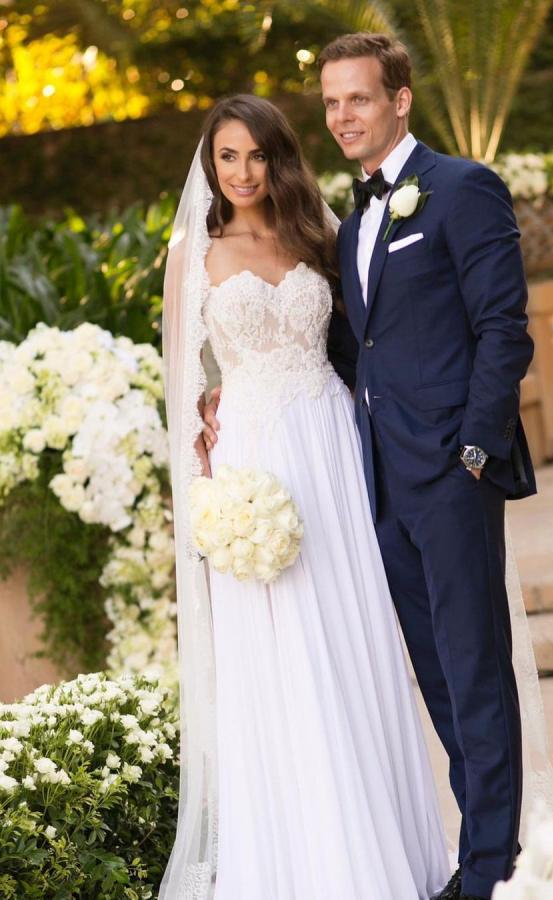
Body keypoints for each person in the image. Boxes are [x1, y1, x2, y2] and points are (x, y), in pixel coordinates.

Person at [202, 34, 553, 900]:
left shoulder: (462, 188)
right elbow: (349, 347)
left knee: (475, 670)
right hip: (373, 484)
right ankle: (482, 850)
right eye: (331, 102)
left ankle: (490, 868)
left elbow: (503, 329)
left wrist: (474, 450)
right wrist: (225, 393)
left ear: (400, 99)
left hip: (451, 475)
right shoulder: (350, 223)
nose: (343, 116)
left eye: (358, 98)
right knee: (437, 677)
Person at [159, 93, 450, 900]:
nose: (243, 171)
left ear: (277, 157)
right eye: (228, 156)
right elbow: (182, 386)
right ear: (210, 163)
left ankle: (390, 850)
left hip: (333, 446)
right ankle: (311, 867)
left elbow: (366, 337)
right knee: (285, 655)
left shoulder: (317, 232)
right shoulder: (195, 253)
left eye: (257, 154)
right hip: (255, 464)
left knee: (357, 638)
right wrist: (202, 469)